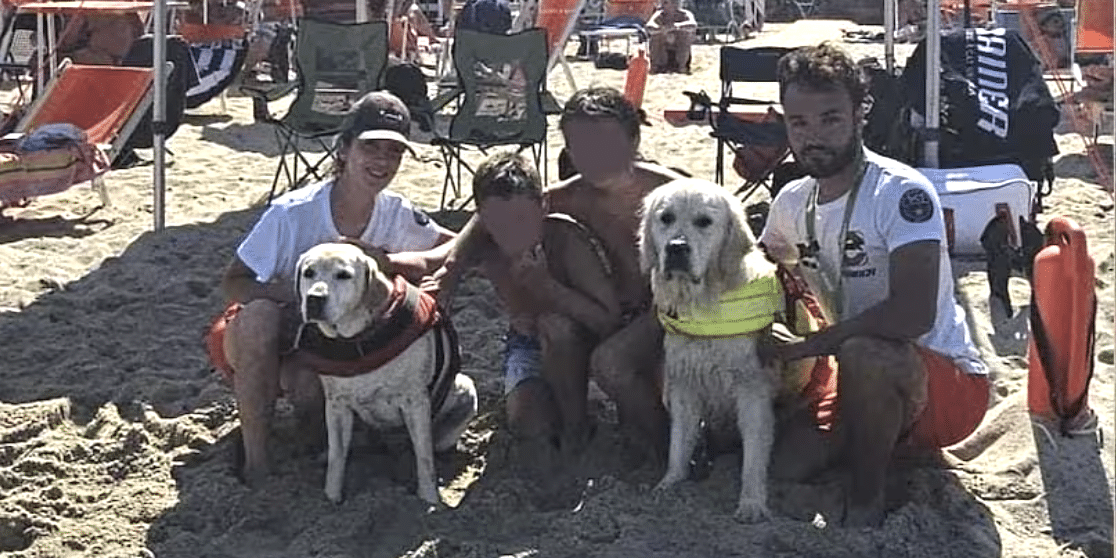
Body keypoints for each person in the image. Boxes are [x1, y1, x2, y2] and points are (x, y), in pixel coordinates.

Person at [757, 43, 990, 527]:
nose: (813, 137)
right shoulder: (791, 200)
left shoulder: (901, 191)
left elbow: (911, 316)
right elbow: (760, 270)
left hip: (945, 381)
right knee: (786, 468)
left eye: (830, 119)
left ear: (861, 114)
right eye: (799, 123)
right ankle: (874, 437)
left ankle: (868, 500)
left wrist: (810, 345)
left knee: (865, 349)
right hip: (853, 372)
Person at [211, 91, 457, 486]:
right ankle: (256, 459)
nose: (381, 161)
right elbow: (233, 282)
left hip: (325, 350)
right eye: (370, 147)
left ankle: (319, 447)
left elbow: (454, 243)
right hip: (266, 334)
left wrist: (395, 262)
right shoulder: (294, 212)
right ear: (343, 149)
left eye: (393, 152)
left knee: (314, 388)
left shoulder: (394, 212)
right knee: (258, 316)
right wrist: (298, 296)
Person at [427, 87, 685, 463]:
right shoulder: (573, 195)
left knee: (614, 368)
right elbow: (489, 215)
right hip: (609, 312)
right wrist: (450, 270)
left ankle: (675, 450)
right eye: (580, 145)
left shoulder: (670, 191)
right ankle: (578, 427)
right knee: (555, 338)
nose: (592, 156)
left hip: (665, 310)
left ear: (633, 141)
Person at [420, 151, 620, 458]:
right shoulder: (486, 244)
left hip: (582, 341)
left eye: (522, 220)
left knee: (556, 327)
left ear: (544, 206)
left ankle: (576, 425)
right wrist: (384, 259)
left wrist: (549, 288)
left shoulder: (565, 241)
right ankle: (552, 402)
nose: (513, 231)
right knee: (529, 426)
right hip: (526, 343)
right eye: (499, 222)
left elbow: (608, 320)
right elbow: (428, 260)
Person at [645, 0, 697, 74]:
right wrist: (662, 29)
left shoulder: (685, 14)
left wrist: (677, 27)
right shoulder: (659, 14)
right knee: (656, 36)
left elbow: (693, 24)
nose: (662, 5)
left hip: (679, 49)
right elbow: (649, 26)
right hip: (662, 49)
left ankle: (682, 66)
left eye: (665, 2)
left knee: (684, 35)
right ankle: (657, 66)